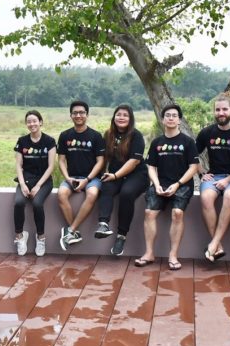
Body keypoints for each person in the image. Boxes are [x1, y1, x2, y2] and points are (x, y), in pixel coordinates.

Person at [135, 103, 199, 270]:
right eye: (168, 116)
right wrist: (156, 185)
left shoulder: (188, 142)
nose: (171, 118)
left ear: (179, 120)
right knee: (149, 212)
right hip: (160, 184)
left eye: (174, 116)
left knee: (177, 213)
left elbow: (194, 167)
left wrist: (177, 185)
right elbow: (151, 166)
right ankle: (149, 253)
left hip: (182, 185)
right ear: (163, 120)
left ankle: (173, 255)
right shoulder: (157, 142)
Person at [197, 92, 230, 262]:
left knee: (229, 196)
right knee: (206, 197)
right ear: (214, 112)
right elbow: (192, 156)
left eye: (224, 109)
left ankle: (214, 243)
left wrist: (227, 180)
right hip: (213, 177)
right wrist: (202, 173)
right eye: (218, 110)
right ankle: (217, 246)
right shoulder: (207, 133)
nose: (221, 113)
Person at [95, 104, 148, 256]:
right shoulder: (108, 135)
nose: (121, 117)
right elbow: (104, 158)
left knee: (126, 193)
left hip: (137, 175)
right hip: (115, 174)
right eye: (118, 114)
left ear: (130, 119)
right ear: (114, 117)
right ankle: (103, 224)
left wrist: (116, 175)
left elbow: (134, 161)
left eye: (125, 115)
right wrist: (102, 174)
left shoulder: (136, 136)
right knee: (106, 187)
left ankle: (121, 236)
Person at [56, 100, 105, 250]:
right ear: (71, 115)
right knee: (61, 194)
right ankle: (75, 232)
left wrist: (88, 179)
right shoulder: (65, 136)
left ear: (87, 115)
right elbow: (61, 160)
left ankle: (70, 230)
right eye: (75, 113)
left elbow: (100, 161)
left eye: (82, 112)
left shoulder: (96, 136)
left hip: (92, 178)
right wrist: (67, 178)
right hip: (71, 177)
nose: (78, 115)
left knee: (92, 194)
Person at [13, 110, 57, 257]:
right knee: (19, 202)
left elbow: (51, 166)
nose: (32, 124)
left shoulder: (49, 141)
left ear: (40, 122)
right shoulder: (22, 141)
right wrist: (22, 184)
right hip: (26, 180)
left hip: (44, 181)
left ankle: (41, 237)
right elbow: (18, 165)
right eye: (29, 121)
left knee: (37, 204)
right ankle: (20, 236)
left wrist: (38, 186)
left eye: (34, 121)